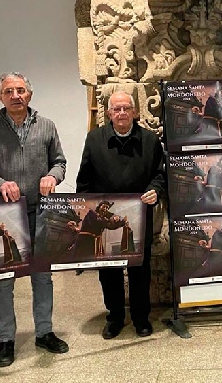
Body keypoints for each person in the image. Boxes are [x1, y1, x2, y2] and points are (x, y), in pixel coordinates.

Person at [0, 72, 69, 367]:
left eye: (21, 90)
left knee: (43, 277)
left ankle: (44, 332)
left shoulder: (46, 125)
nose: (15, 95)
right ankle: (5, 339)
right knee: (2, 281)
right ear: (0, 96)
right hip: (2, 217)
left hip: (41, 212)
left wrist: (53, 176)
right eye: (9, 91)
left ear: (29, 95)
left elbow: (60, 162)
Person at [76, 91, 166, 339]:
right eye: (116, 109)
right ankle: (114, 317)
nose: (122, 113)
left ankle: (141, 318)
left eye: (126, 108)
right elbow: (84, 180)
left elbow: (160, 175)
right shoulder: (94, 140)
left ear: (135, 112)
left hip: (139, 216)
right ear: (108, 114)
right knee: (109, 271)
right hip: (105, 220)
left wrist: (154, 191)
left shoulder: (150, 141)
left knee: (140, 269)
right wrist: (85, 211)